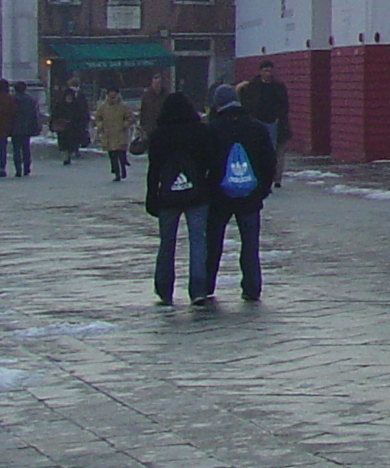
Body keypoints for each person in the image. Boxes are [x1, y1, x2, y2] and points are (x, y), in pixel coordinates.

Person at [198, 83, 279, 304]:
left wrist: (208, 189)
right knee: (250, 245)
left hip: (219, 198)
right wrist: (261, 189)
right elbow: (269, 162)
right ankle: (252, 288)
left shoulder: (211, 129)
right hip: (250, 197)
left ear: (217, 104)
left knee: (213, 244)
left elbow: (202, 163)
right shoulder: (256, 128)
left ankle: (206, 286)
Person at [143, 90, 215, 306]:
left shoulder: (159, 135)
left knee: (167, 242)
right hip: (197, 194)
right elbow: (210, 162)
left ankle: (164, 289)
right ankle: (198, 288)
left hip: (167, 196)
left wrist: (151, 196)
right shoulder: (200, 132)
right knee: (197, 241)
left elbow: (153, 169)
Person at [241, 61, 291, 151]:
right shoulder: (252, 86)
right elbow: (246, 102)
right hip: (257, 120)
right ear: (260, 72)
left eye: (270, 71)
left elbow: (284, 103)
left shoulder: (278, 86)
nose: (268, 74)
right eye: (265, 71)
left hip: (273, 121)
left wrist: (278, 117)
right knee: (257, 146)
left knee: (271, 147)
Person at [92, 86, 134, 181]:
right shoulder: (102, 106)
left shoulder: (123, 106)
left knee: (121, 152)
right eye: (110, 92)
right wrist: (100, 125)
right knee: (112, 154)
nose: (112, 94)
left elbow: (130, 117)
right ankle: (116, 172)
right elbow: (97, 117)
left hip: (120, 132)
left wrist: (125, 124)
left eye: (114, 92)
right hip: (108, 133)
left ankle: (123, 167)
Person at [51, 82, 88, 165]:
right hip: (62, 128)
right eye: (67, 96)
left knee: (72, 143)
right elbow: (54, 115)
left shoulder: (76, 105)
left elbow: (81, 115)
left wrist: (82, 124)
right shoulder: (59, 105)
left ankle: (70, 153)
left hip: (73, 128)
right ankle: (65, 157)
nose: (69, 98)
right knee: (63, 144)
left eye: (70, 96)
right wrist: (53, 125)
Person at [8, 84, 39, 176]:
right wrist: (35, 127)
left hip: (15, 128)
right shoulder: (30, 100)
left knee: (16, 149)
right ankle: (27, 167)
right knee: (26, 148)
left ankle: (18, 169)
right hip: (26, 127)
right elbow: (34, 114)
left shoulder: (12, 100)